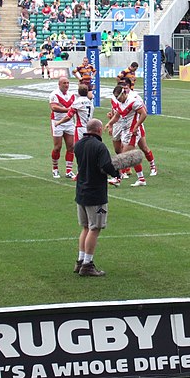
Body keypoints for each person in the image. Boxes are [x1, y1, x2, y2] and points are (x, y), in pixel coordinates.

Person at [73, 118, 121, 277]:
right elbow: (106, 166)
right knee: (95, 228)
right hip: (96, 195)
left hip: (81, 192)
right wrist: (116, 173)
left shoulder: (79, 144)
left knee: (86, 227)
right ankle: (87, 264)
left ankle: (80, 261)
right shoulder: (99, 147)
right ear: (99, 130)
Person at [105, 84, 148, 187]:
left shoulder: (133, 101)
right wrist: (110, 123)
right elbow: (117, 116)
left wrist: (137, 126)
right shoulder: (120, 103)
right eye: (116, 98)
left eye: (119, 97)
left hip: (132, 132)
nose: (118, 99)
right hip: (125, 131)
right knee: (131, 156)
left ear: (124, 93)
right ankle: (141, 178)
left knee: (123, 156)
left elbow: (144, 113)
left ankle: (117, 178)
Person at [49, 76, 76, 179]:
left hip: (69, 122)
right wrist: (69, 110)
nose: (66, 85)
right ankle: (55, 169)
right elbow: (54, 107)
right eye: (64, 83)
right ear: (59, 84)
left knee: (71, 146)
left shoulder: (72, 95)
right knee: (58, 147)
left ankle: (69, 170)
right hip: (57, 122)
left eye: (68, 83)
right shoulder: (54, 94)